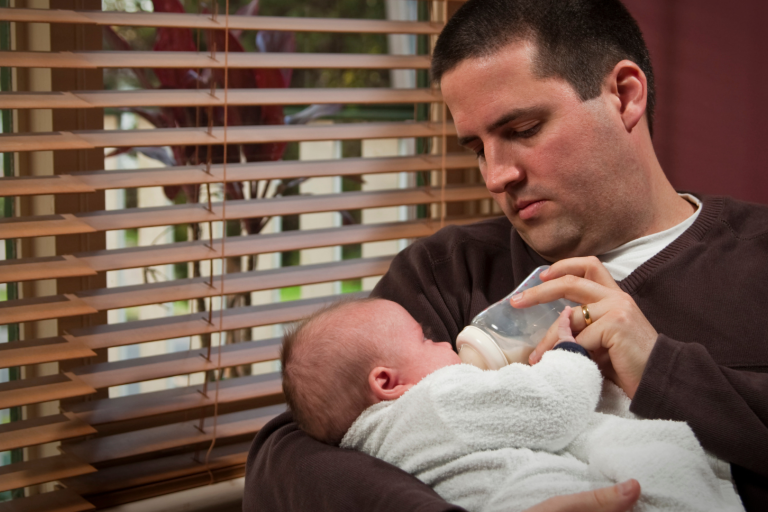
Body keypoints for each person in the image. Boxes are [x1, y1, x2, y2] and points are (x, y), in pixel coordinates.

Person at [244, 0, 768, 510]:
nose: (496, 176)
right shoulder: (447, 273)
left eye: (522, 131)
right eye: (477, 148)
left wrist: (663, 368)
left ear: (624, 96)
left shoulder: (756, 261)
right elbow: (287, 462)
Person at [281, 298, 743, 512]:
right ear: (386, 382)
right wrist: (566, 355)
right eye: (426, 338)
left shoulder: (378, 443)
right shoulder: (438, 400)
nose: (444, 341)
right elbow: (552, 408)